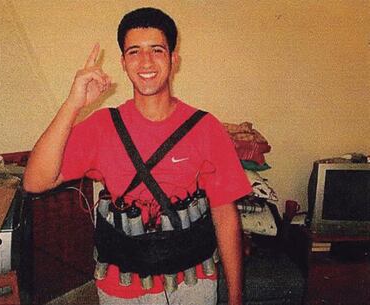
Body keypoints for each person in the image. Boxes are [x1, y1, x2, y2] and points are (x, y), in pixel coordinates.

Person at [23, 7, 251, 305]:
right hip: (122, 290)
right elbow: (35, 182)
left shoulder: (205, 128)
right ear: (122, 61)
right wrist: (73, 104)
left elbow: (225, 215)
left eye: (157, 50)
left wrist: (235, 297)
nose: (145, 61)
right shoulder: (102, 126)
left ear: (173, 59)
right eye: (134, 52)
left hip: (193, 286)